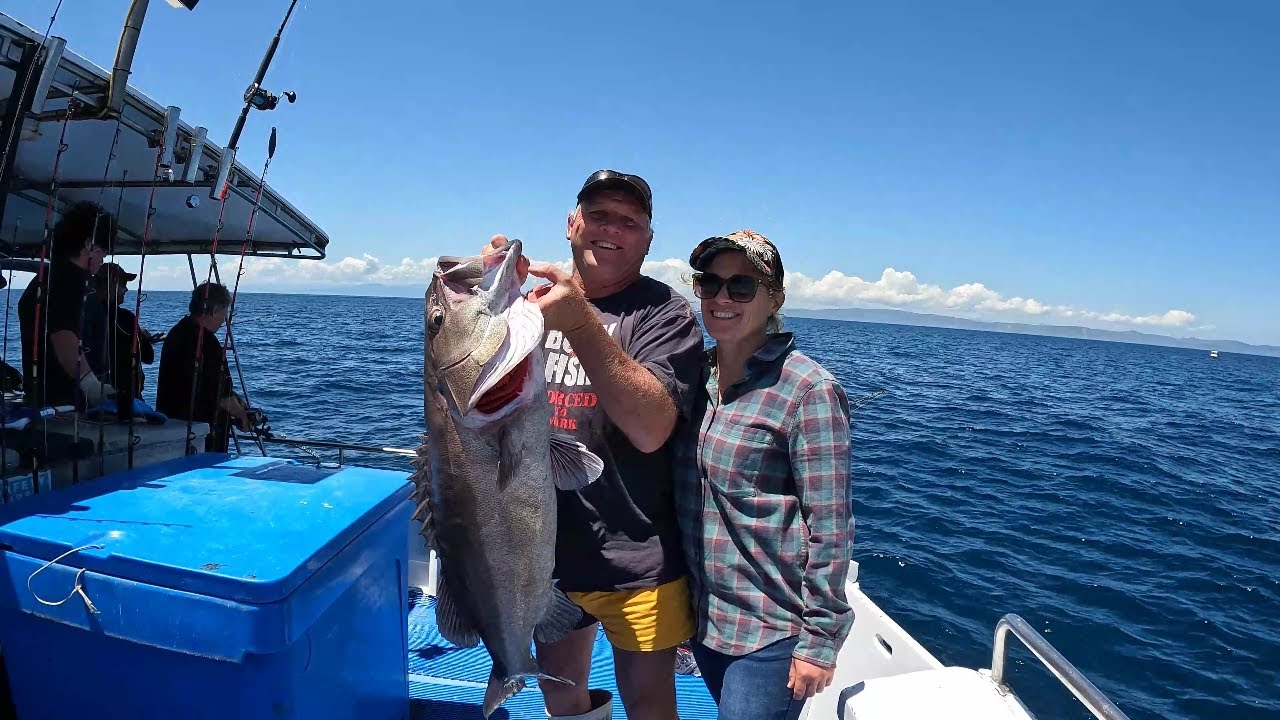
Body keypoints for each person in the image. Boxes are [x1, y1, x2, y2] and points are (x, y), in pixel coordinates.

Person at [482, 170, 705, 720]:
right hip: (545, 555)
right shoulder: (528, 303)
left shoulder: (666, 315)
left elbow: (651, 428)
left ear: (648, 241)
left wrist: (579, 323)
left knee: (650, 703)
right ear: (572, 223)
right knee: (561, 694)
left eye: (629, 222)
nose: (612, 230)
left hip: (638, 555)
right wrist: (485, 291)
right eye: (600, 215)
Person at [674, 230, 854, 720]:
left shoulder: (809, 390)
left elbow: (831, 527)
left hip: (769, 631)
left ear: (774, 297)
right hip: (703, 620)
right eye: (709, 284)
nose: (722, 298)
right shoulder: (693, 375)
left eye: (742, 286)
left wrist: (819, 642)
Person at [17, 201, 115, 408]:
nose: (103, 258)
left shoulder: (48, 279)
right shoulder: (67, 282)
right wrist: (91, 386)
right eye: (102, 251)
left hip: (48, 402)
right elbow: (64, 335)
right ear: (89, 244)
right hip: (64, 405)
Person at [155, 282, 249, 452]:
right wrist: (242, 415)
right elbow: (222, 396)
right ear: (213, 312)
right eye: (224, 313)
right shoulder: (209, 343)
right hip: (202, 436)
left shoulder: (176, 332)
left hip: (171, 428)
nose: (224, 320)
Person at [81, 262, 158, 401]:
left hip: (93, 397)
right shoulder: (125, 318)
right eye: (123, 284)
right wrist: (143, 338)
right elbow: (148, 357)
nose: (126, 290)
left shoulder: (85, 314)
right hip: (125, 398)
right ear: (109, 285)